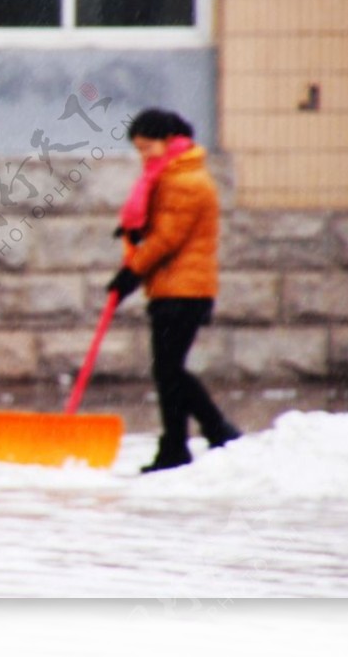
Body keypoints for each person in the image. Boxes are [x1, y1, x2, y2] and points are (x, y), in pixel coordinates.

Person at [106, 109, 241, 473]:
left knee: (169, 371)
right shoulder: (172, 174)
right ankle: (184, 443)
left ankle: (210, 433)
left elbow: (167, 237)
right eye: (138, 149)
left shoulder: (184, 179)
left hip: (183, 290)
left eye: (147, 147)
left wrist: (131, 273)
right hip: (174, 287)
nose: (144, 156)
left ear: (167, 140)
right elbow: (161, 229)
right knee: (169, 371)